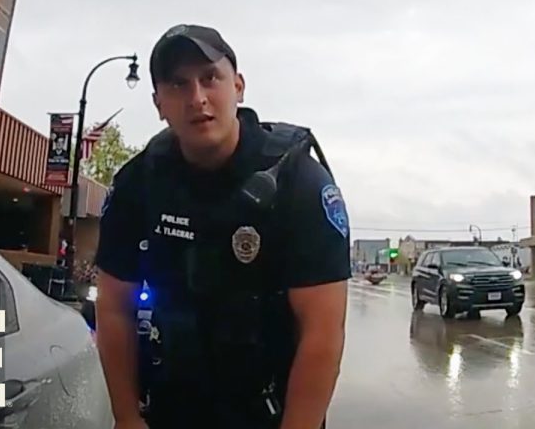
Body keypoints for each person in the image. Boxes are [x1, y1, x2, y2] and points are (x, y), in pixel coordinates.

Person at [94, 23, 350, 429]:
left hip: (273, 412)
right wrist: (126, 416)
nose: (197, 98)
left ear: (239, 86)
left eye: (210, 77)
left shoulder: (299, 183)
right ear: (159, 102)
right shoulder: (137, 185)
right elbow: (112, 307)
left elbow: (322, 329)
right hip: (171, 408)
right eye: (177, 84)